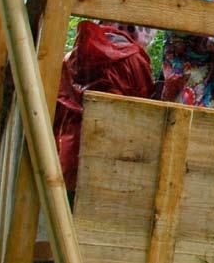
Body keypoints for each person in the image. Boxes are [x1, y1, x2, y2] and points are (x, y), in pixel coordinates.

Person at [54, 20, 155, 191]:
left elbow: (56, 111)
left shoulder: (71, 58)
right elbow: (147, 117)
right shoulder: (135, 60)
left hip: (66, 159)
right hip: (112, 164)